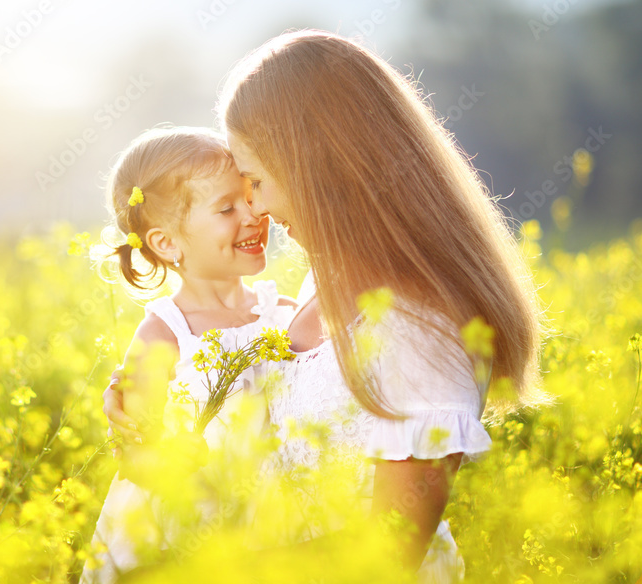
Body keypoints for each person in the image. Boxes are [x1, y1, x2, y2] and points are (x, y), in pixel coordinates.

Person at [104, 30, 544, 582]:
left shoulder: (422, 329)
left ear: (316, 166)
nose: (256, 209)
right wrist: (153, 417)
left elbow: (387, 555)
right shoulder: (326, 276)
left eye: (257, 182)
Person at [80, 126, 297, 584]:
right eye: (226, 208)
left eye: (250, 195)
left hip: (275, 528)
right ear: (166, 243)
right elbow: (134, 452)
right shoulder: (163, 335)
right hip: (183, 538)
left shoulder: (288, 314)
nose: (254, 214)